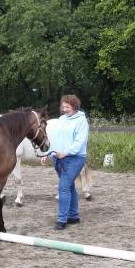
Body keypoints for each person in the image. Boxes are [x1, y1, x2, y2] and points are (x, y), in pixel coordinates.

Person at [47, 95, 89, 230]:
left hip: (75, 158)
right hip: (58, 158)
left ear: (75, 107)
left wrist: (66, 152)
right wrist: (49, 152)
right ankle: (74, 216)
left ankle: (62, 220)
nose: (64, 109)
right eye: (63, 107)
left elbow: (80, 141)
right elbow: (55, 138)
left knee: (63, 186)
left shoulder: (81, 121)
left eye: (67, 107)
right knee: (69, 186)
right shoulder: (61, 119)